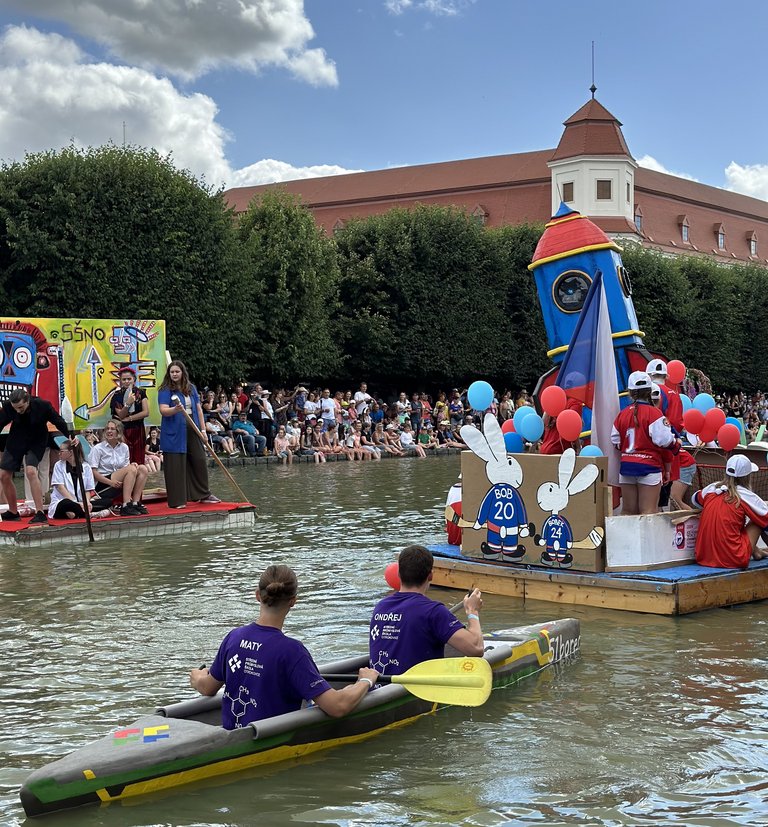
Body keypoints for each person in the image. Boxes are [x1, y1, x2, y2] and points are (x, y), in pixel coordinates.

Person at [189, 565, 379, 729]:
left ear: (257, 596)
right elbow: (337, 707)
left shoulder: (234, 637)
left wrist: (197, 677)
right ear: (293, 601)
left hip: (233, 733)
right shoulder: (292, 652)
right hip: (264, 741)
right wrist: (365, 681)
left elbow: (207, 688)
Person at [369, 545, 483, 675]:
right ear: (431, 576)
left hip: (380, 687)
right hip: (412, 690)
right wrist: (472, 611)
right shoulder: (433, 611)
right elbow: (476, 649)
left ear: (399, 574)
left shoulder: (380, 606)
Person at [611, 371, 679, 515]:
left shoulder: (622, 414)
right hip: (649, 467)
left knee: (628, 511)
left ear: (630, 392)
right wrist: (676, 444)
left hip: (627, 466)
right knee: (648, 512)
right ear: (649, 391)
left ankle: (625, 538)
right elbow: (664, 441)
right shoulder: (655, 413)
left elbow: (615, 441)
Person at [0, 389, 71, 524]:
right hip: (16, 439)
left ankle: (39, 512)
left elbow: (58, 421)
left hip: (36, 441)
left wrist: (69, 436)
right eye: (15, 408)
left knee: (31, 471)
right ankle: (13, 512)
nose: (18, 411)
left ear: (27, 401)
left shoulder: (42, 405)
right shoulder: (9, 407)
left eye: (21, 407)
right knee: (3, 475)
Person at [158, 360, 220, 509]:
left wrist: (203, 430)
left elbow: (198, 410)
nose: (174, 374)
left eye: (177, 372)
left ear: (182, 373)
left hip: (193, 426)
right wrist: (176, 409)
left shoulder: (190, 388)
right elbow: (163, 410)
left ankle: (203, 494)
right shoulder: (165, 390)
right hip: (174, 428)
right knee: (176, 463)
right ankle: (177, 500)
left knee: (199, 458)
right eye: (172, 372)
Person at [692, 455, 768, 569]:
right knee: (758, 521)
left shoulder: (712, 489)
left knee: (735, 524)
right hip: (733, 558)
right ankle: (756, 552)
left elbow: (695, 499)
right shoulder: (746, 496)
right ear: (747, 477)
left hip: (703, 557)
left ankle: (756, 552)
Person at [88, 419, 149, 516]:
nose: (109, 431)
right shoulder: (98, 449)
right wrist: (111, 482)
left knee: (142, 469)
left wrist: (133, 465)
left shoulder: (124, 447)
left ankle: (135, 503)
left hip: (118, 480)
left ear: (119, 432)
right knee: (131, 469)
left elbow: (127, 469)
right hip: (103, 483)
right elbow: (93, 473)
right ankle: (126, 505)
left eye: (113, 429)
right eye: (107, 429)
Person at [48, 440, 111, 520]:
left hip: (81, 502)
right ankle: (89, 514)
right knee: (65, 504)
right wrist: (75, 502)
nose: (59, 453)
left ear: (70, 452)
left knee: (108, 502)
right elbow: (60, 487)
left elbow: (87, 490)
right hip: (67, 501)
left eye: (61, 451)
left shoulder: (86, 467)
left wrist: (87, 502)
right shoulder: (58, 465)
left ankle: (78, 513)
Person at [110, 366, 149, 464]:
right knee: (125, 460)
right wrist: (128, 403)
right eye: (124, 379)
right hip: (123, 432)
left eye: (129, 379)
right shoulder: (116, 395)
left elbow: (146, 412)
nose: (127, 381)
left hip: (138, 430)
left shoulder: (141, 393)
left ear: (134, 379)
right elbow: (121, 415)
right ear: (120, 381)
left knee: (138, 460)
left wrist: (130, 418)